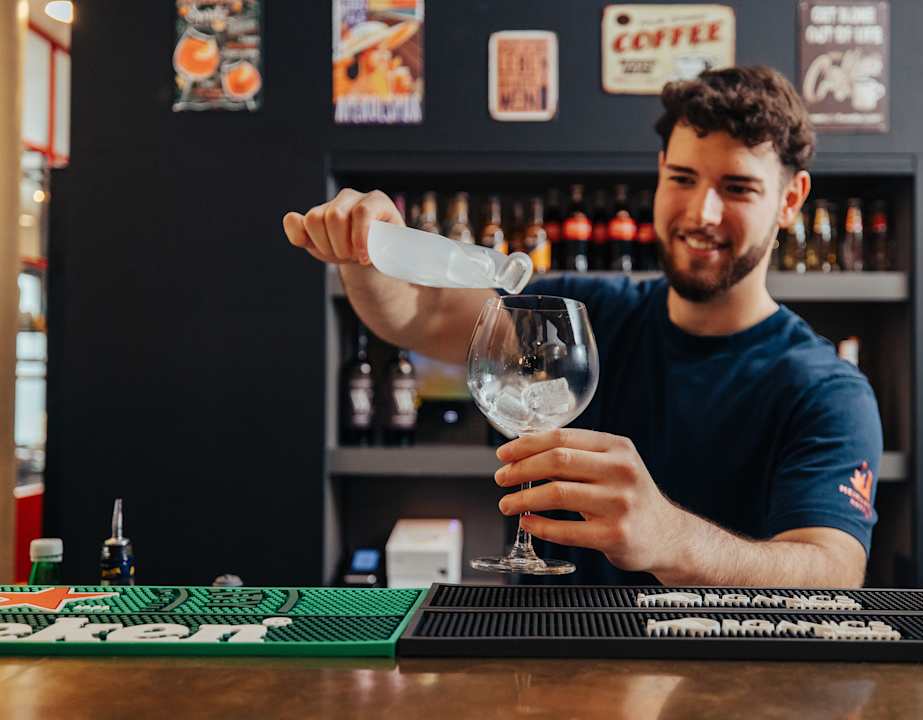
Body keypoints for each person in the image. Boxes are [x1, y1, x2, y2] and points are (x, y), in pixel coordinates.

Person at [283, 66, 881, 588]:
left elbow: (833, 569)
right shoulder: (579, 314)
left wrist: (671, 538)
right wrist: (365, 256)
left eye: (738, 187)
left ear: (790, 199)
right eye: (682, 179)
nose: (702, 213)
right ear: (658, 172)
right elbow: (421, 314)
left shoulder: (826, 390)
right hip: (540, 674)